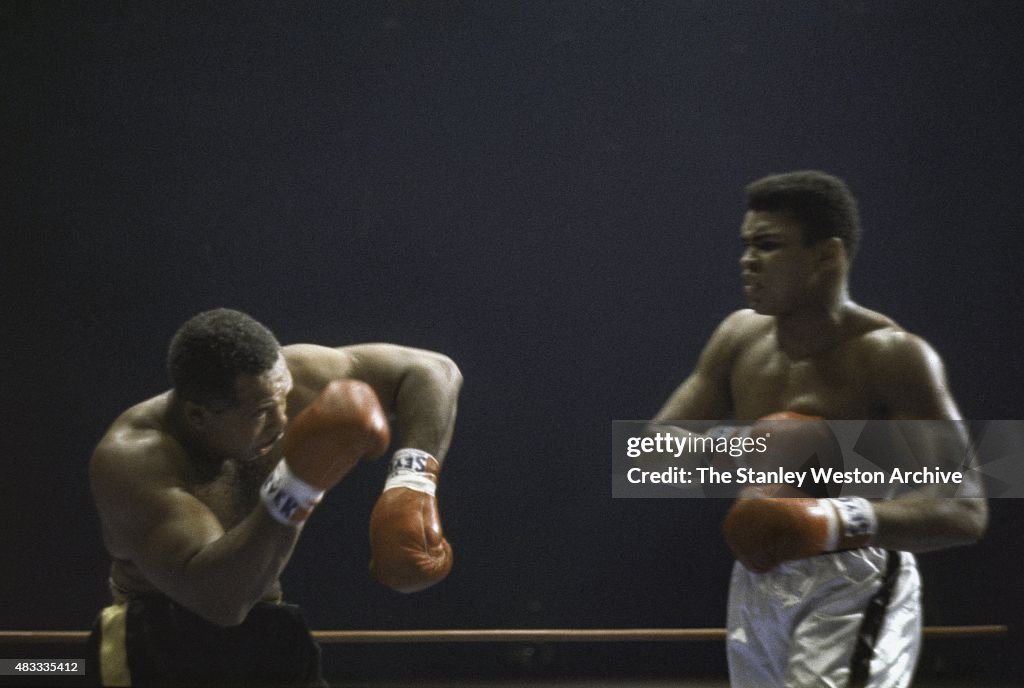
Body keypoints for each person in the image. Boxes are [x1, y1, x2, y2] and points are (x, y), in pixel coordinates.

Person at [648, 171, 988, 687]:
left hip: (853, 575)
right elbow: (648, 453)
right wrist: (748, 448)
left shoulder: (893, 356)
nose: (747, 261)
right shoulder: (738, 337)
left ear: (827, 255)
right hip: (759, 574)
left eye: (768, 245)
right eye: (745, 245)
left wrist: (825, 519)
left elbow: (965, 510)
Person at [87, 308, 461, 686]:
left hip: (270, 627)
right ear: (198, 416)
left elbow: (433, 370)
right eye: (263, 412)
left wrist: (413, 483)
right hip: (161, 642)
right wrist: (299, 483)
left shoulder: (292, 377)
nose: (283, 420)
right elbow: (220, 602)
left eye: (283, 398)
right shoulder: (135, 459)